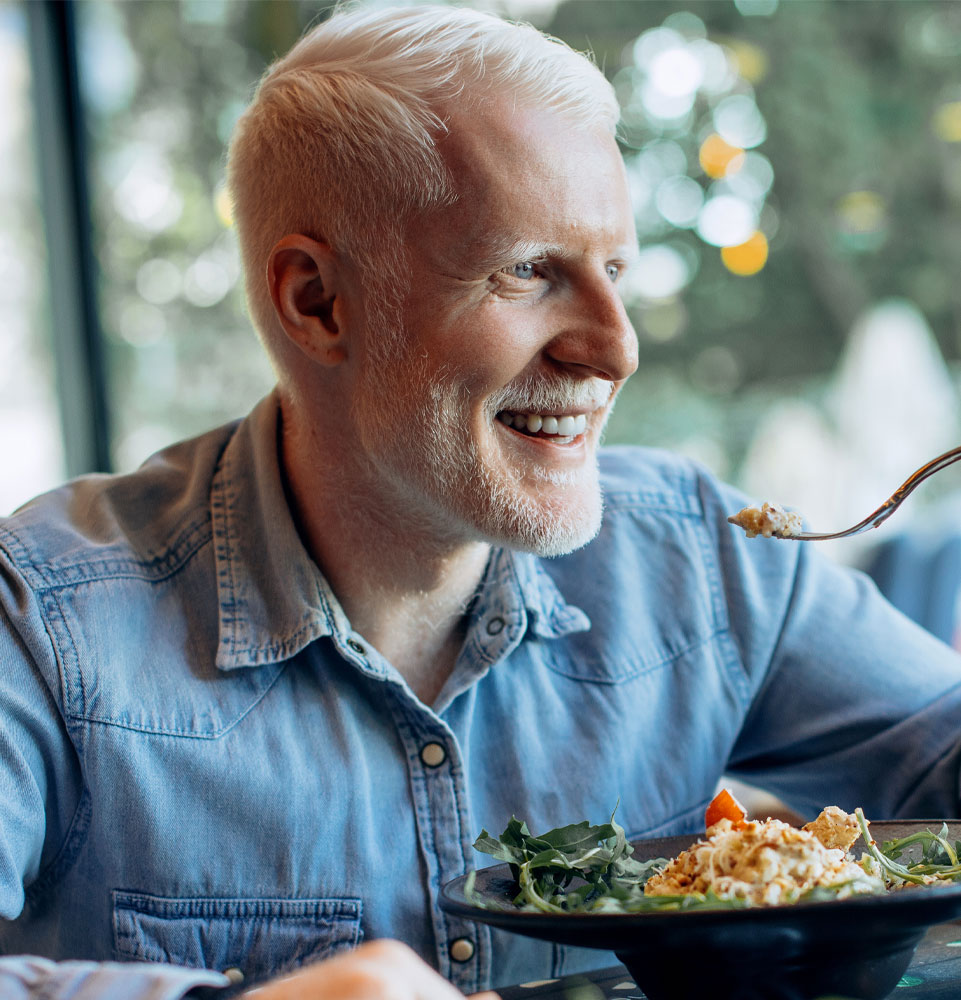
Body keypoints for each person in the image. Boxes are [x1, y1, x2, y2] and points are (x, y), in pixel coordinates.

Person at [2, 3, 961, 998]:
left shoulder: (703, 562)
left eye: (617, 271)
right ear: (317, 303)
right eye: (529, 271)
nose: (616, 347)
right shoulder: (45, 614)